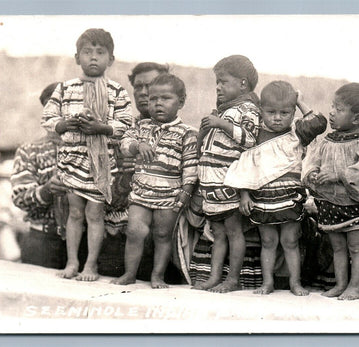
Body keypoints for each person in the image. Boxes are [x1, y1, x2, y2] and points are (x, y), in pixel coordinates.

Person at [41, 28, 132, 281]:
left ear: (110, 59)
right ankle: (72, 263)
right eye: (87, 52)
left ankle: (90, 265)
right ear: (77, 57)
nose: (94, 57)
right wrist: (66, 124)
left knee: (94, 214)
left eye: (100, 53)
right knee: (75, 213)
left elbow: (126, 124)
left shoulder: (117, 91)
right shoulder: (65, 89)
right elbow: (48, 118)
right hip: (72, 159)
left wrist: (101, 127)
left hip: (102, 163)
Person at [224, 81, 327, 295]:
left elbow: (318, 123)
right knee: (268, 242)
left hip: (289, 197)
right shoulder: (254, 135)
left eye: (284, 112)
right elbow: (245, 167)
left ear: (293, 112)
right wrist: (244, 195)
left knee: (290, 241)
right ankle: (267, 282)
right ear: (261, 110)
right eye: (271, 112)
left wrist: (299, 101)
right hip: (263, 198)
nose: (277, 117)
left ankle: (295, 283)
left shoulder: (296, 132)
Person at [302, 82, 359, 300]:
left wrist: (338, 174)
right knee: (337, 248)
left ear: (356, 119)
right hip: (331, 204)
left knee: (355, 247)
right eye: (332, 106)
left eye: (339, 109)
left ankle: (354, 286)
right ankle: (340, 284)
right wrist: (313, 172)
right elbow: (313, 160)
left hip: (354, 206)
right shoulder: (327, 141)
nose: (331, 112)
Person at [112, 73, 198, 288]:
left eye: (165, 98)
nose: (158, 103)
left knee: (162, 235)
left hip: (169, 194)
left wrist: (185, 192)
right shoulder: (140, 127)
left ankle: (157, 276)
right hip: (141, 192)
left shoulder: (187, 133)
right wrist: (136, 146)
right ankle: (129, 273)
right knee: (134, 231)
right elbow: (125, 142)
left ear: (181, 101)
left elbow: (190, 167)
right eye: (153, 99)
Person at [193, 55, 261, 293]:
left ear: (243, 84)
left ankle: (233, 279)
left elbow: (250, 139)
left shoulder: (248, 109)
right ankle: (214, 277)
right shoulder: (224, 110)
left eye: (223, 82)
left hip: (229, 183)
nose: (218, 87)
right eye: (217, 83)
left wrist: (220, 124)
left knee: (233, 232)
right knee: (218, 234)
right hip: (212, 185)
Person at [11, 82, 69, 269]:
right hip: (43, 240)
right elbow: (20, 197)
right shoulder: (29, 151)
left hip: (83, 242)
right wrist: (45, 191)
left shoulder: (90, 151)